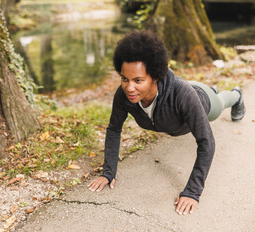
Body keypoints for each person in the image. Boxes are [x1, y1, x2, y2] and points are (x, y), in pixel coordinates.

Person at [87, 30, 246, 215]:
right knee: (196, 91)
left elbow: (206, 142)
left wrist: (193, 192)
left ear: (155, 76)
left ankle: (236, 94)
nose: (129, 88)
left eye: (138, 80)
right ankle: (212, 88)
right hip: (185, 94)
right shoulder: (124, 95)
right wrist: (108, 172)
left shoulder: (183, 95)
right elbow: (114, 129)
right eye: (124, 79)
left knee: (220, 102)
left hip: (202, 100)